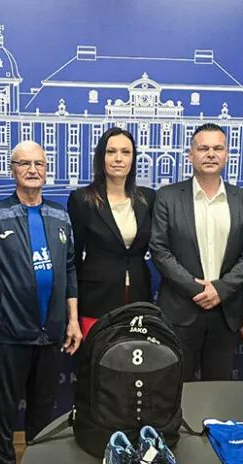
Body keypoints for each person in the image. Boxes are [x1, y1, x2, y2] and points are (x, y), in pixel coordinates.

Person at [0, 140, 81, 464]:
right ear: (12, 169)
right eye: (24, 164)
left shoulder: (60, 215)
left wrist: (72, 320)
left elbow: (70, 268)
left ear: (46, 170)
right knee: (4, 412)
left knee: (44, 410)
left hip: (52, 332)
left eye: (39, 164)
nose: (32, 170)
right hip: (10, 331)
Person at [150, 123, 243, 381]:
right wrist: (197, 289)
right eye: (203, 148)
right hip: (180, 311)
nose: (210, 154)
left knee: (218, 390)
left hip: (225, 312)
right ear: (190, 155)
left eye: (217, 148)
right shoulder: (167, 196)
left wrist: (220, 289)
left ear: (227, 155)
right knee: (177, 388)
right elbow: (160, 250)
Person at [67, 127, 155, 334]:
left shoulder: (149, 198)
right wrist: (72, 312)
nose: (118, 159)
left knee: (135, 354)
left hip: (138, 297)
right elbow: (73, 258)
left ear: (133, 159)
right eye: (111, 152)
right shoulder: (82, 200)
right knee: (97, 353)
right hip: (96, 299)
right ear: (101, 158)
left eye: (125, 152)